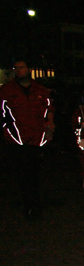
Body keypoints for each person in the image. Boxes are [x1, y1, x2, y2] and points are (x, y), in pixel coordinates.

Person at [0, 58, 55, 218]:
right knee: (23, 173)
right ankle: (29, 204)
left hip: (37, 139)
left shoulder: (40, 90)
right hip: (17, 139)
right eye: (15, 68)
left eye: (21, 67)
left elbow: (49, 108)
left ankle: (34, 203)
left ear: (28, 69)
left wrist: (50, 124)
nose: (18, 70)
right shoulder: (7, 91)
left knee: (34, 172)